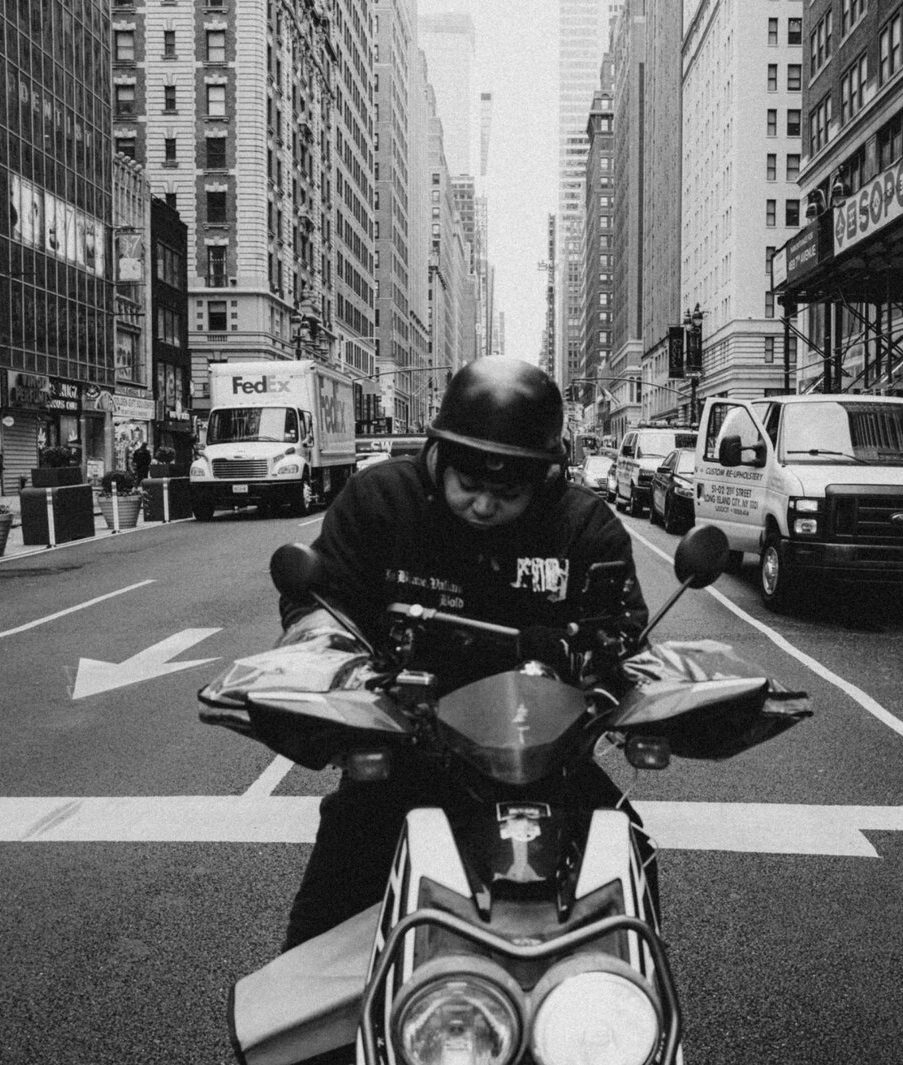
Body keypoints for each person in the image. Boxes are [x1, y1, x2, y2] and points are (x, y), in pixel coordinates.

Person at [276, 357, 649, 953]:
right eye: (469, 486)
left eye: (507, 493)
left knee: (629, 856)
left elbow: (625, 635)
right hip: (404, 752)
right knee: (323, 922)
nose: (483, 506)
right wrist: (336, 667)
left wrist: (607, 671)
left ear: (545, 477)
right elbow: (319, 604)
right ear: (440, 456)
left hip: (546, 765)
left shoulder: (585, 527)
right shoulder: (379, 500)